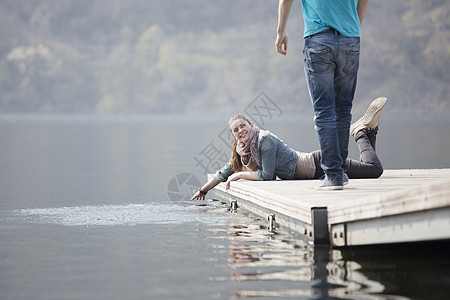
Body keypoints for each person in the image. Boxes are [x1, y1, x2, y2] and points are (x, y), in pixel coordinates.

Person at [190, 97, 387, 200]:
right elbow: (226, 171)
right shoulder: (242, 150)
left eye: (243, 125)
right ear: (233, 136)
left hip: (319, 164)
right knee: (369, 168)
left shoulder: (264, 140)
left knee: (374, 170)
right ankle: (370, 130)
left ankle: (360, 133)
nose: (240, 130)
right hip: (312, 170)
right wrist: (203, 190)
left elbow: (267, 176)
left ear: (251, 125)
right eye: (235, 130)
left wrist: (240, 176)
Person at [275, 0, 369, 190]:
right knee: (343, 110)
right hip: (350, 38)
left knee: (324, 111)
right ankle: (340, 173)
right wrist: (353, 27)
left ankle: (333, 175)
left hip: (319, 40)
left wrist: (280, 32)